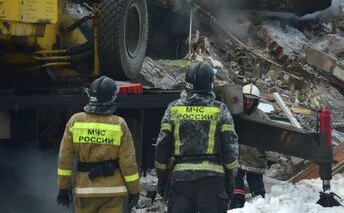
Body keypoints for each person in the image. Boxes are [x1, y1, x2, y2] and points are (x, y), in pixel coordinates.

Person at [154, 61, 239, 213]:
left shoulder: (174, 108)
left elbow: (162, 146)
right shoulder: (220, 110)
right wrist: (230, 180)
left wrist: (161, 180)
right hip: (213, 182)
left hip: (181, 181)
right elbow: (230, 148)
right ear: (210, 85)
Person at [56, 76, 140, 213]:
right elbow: (128, 162)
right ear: (112, 98)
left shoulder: (75, 121)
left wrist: (63, 187)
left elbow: (64, 159)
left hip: (84, 191)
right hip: (113, 192)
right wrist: (134, 190)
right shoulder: (119, 124)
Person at [229, 84, 269, 209]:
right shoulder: (234, 113)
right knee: (236, 189)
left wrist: (271, 156)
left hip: (254, 159)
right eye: (246, 98)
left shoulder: (262, 117)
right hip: (237, 158)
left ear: (256, 101)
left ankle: (259, 208)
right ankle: (237, 206)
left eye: (251, 100)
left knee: (258, 193)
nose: (248, 102)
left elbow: (270, 138)